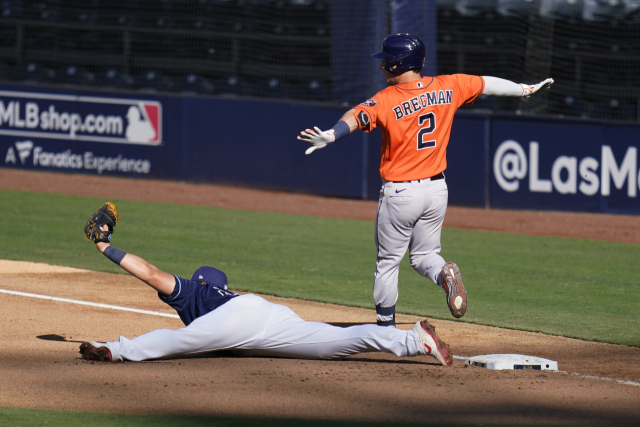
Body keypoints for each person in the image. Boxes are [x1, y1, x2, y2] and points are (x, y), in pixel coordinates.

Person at [298, 33, 553, 327]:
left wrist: (332, 134)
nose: (382, 67)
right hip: (437, 190)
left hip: (400, 193)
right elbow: (487, 83)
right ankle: (445, 272)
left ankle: (385, 329)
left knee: (388, 263)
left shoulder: (387, 99)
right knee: (424, 256)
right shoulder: (450, 84)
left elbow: (356, 116)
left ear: (397, 64)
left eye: (385, 62)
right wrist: (524, 90)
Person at [79, 214, 453, 366]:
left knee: (182, 341)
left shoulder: (194, 292)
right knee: (335, 342)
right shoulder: (222, 293)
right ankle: (411, 340)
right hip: (268, 315)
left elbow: (149, 271)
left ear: (203, 281)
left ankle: (115, 349)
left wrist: (104, 247)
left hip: (240, 320)